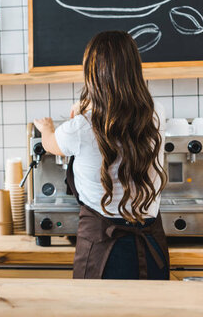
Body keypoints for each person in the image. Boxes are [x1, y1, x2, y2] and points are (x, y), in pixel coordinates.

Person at [34, 31, 169, 280]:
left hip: (102, 250)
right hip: (150, 248)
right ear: (134, 69)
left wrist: (46, 128)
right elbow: (119, 116)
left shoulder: (81, 126)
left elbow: (52, 145)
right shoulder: (156, 114)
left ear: (92, 74)